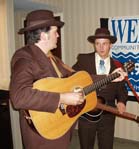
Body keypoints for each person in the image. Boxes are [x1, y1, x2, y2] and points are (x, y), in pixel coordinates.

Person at [9, 10, 127, 149]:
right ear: (43, 35)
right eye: (55, 31)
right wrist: (62, 98)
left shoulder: (54, 59)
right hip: (42, 135)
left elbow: (78, 78)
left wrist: (110, 78)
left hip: (60, 127)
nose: (58, 35)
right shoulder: (25, 58)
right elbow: (19, 97)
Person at [72, 28, 128, 149]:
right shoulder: (83, 60)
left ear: (110, 45)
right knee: (86, 146)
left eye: (105, 43)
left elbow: (122, 89)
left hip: (108, 111)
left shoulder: (117, 66)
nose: (101, 47)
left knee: (106, 146)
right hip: (87, 111)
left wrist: (122, 102)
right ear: (94, 45)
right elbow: (72, 78)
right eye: (98, 43)